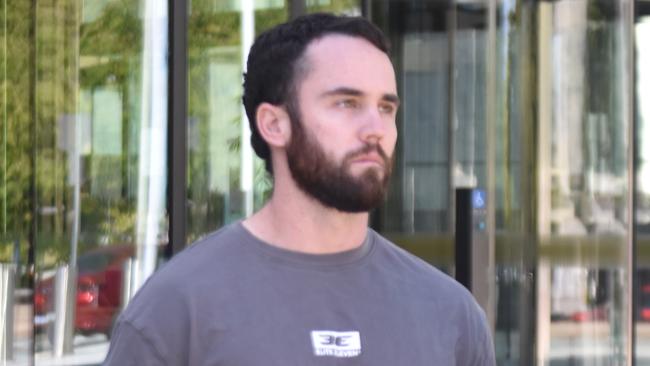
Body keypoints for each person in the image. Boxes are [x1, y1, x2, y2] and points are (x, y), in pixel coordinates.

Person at [103, 13, 495, 365]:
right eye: (346, 103)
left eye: (386, 108)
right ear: (274, 124)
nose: (375, 128)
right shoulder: (177, 310)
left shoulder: (450, 315)